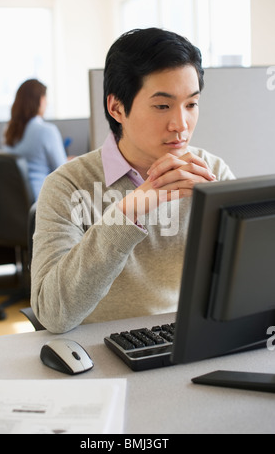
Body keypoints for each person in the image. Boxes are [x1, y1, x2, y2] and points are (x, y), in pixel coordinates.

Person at [31, 28, 235, 333]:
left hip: (188, 341)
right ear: (117, 108)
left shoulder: (211, 172)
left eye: (191, 104)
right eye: (162, 106)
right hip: (100, 354)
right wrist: (129, 211)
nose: (181, 124)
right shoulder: (68, 186)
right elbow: (53, 313)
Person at [3, 79, 67, 201]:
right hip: (41, 203)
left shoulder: (8, 131)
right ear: (41, 100)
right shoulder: (46, 130)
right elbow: (64, 171)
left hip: (14, 204)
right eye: (45, 99)